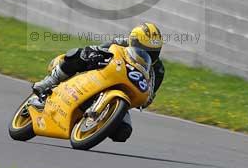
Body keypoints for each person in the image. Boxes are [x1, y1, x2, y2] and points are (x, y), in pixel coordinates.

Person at [31, 22, 165, 113]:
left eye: (153, 52)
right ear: (133, 41)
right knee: (80, 54)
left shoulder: (158, 70)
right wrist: (93, 54)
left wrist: (145, 98)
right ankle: (50, 81)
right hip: (103, 75)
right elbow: (97, 49)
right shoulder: (120, 42)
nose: (148, 54)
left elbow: (148, 98)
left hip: (119, 95)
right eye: (144, 49)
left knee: (123, 132)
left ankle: (99, 121)